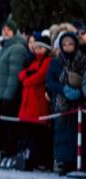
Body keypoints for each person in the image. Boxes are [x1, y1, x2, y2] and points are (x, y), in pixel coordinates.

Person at [46, 31, 85, 174]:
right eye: (65, 44)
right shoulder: (56, 62)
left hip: (80, 103)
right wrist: (63, 89)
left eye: (70, 44)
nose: (68, 47)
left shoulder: (83, 60)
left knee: (79, 134)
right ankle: (65, 163)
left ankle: (79, 162)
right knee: (63, 135)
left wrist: (79, 92)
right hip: (62, 103)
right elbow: (49, 82)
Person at [13, 33, 52, 171]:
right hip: (28, 104)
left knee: (37, 135)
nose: (37, 50)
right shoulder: (34, 62)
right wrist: (27, 77)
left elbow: (40, 76)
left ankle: (37, 161)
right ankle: (28, 160)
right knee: (28, 135)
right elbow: (21, 74)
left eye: (40, 48)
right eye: (36, 47)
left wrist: (26, 80)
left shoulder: (48, 61)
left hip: (38, 104)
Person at [0, 18, 27, 161]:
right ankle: (4, 153)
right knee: (2, 129)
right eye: (4, 29)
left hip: (7, 96)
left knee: (9, 129)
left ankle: (10, 154)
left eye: (8, 30)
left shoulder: (17, 48)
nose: (5, 32)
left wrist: (8, 95)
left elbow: (14, 75)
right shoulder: (5, 48)